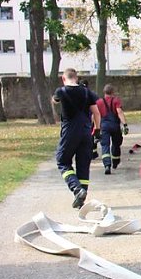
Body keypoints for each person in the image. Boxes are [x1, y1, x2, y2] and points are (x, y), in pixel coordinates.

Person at [52, 68, 101, 209]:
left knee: (62, 161)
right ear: (77, 78)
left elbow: (55, 100)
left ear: (63, 78)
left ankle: (76, 189)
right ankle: (81, 198)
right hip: (86, 133)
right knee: (83, 165)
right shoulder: (87, 92)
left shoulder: (61, 91)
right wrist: (97, 130)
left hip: (70, 132)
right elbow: (96, 113)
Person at [96, 84, 129, 175]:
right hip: (115, 126)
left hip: (104, 126)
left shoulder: (99, 102)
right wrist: (125, 125)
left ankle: (107, 165)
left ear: (104, 92)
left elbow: (96, 115)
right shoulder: (116, 101)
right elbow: (119, 112)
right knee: (116, 143)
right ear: (113, 92)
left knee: (105, 145)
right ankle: (115, 162)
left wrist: (96, 129)